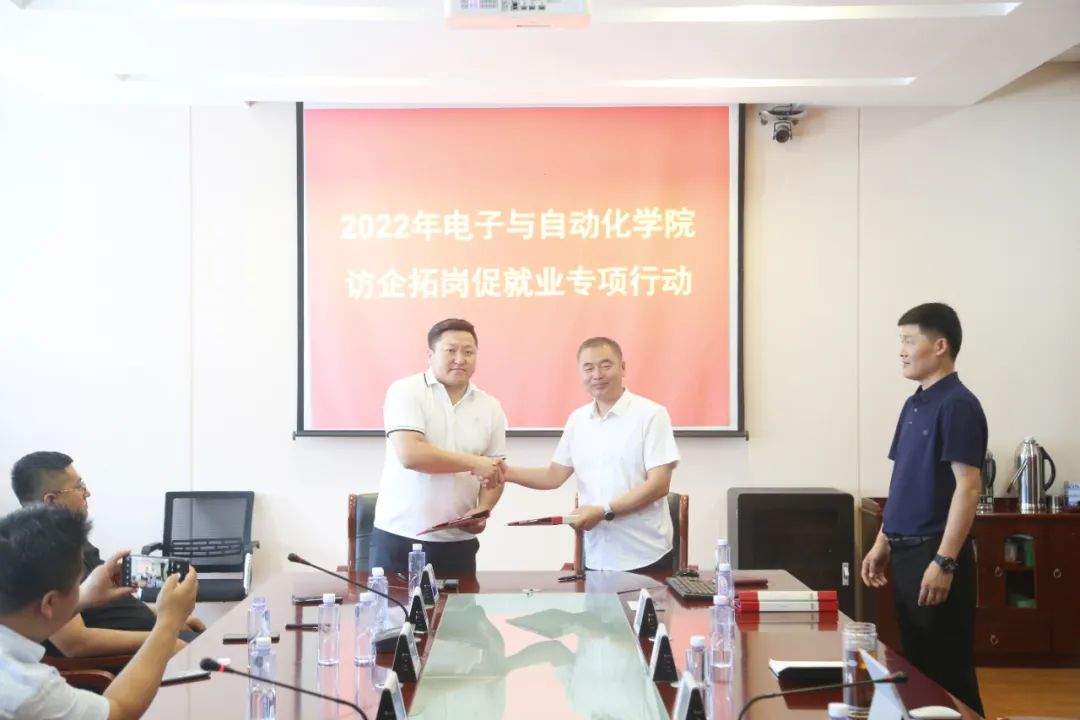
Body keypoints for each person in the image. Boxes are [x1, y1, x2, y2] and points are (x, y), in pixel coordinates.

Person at [861, 303, 985, 715]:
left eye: (908, 340)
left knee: (948, 675)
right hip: (906, 553)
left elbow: (968, 487)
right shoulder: (914, 404)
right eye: (900, 341)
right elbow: (904, 481)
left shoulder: (958, 405)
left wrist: (945, 562)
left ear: (940, 346)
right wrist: (882, 542)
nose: (901, 350)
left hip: (935, 553)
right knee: (920, 670)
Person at [0, 504, 199, 720]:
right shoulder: (28, 690)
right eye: (78, 583)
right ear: (50, 602)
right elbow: (118, 712)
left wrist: (86, 596)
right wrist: (168, 624)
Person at [503, 337, 680, 573]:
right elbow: (553, 476)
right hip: (597, 555)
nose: (597, 375)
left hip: (645, 553)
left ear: (623, 368)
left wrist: (604, 510)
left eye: (606, 365)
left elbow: (659, 485)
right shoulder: (577, 420)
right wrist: (505, 473)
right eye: (588, 368)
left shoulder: (651, 415)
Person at [11, 452, 202, 658]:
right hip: (133, 659)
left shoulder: (68, 539)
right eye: (79, 487)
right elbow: (76, 643)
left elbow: (111, 609)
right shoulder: (38, 556)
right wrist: (166, 635)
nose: (87, 493)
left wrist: (164, 614)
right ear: (51, 500)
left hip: (155, 640)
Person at [370, 318, 508, 575]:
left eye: (469, 352)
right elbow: (411, 455)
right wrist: (474, 462)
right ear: (430, 354)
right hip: (401, 537)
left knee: (462, 604)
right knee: (395, 604)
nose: (460, 359)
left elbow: (495, 471)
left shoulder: (490, 406)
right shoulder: (406, 391)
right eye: (450, 350)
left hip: (459, 541)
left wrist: (483, 509)